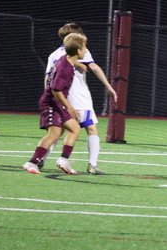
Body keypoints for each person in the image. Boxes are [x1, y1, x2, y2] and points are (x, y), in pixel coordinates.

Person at [39, 23, 117, 175]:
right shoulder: (81, 51)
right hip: (80, 98)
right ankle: (92, 165)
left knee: (58, 131)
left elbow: (47, 77)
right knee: (91, 129)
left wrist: (48, 96)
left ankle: (40, 159)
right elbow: (94, 67)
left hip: (62, 98)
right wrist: (108, 86)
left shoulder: (54, 55)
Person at [24, 32, 86, 175]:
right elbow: (56, 90)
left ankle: (64, 160)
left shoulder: (66, 60)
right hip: (51, 103)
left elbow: (67, 59)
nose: (85, 50)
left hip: (57, 104)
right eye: (84, 47)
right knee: (53, 134)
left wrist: (77, 64)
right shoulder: (65, 69)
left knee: (75, 128)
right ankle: (32, 162)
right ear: (78, 51)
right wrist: (69, 107)